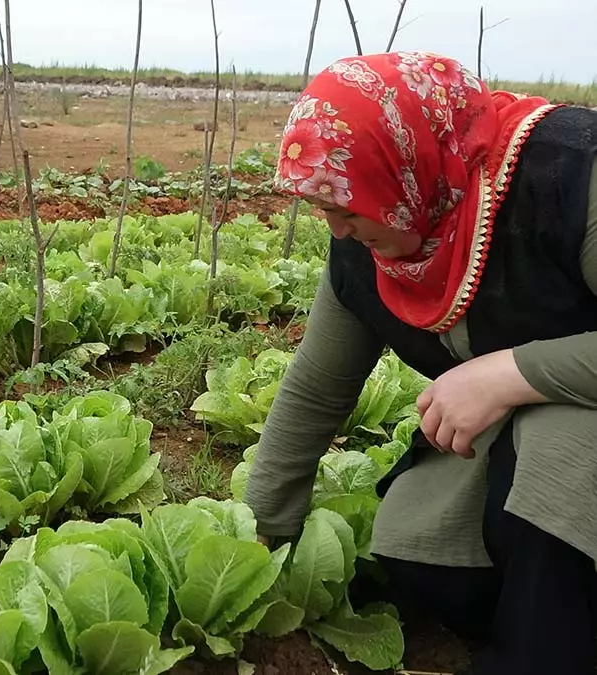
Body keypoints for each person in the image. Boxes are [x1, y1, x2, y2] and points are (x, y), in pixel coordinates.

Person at [243, 50, 597, 675]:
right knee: (418, 553)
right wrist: (261, 530)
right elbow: (316, 390)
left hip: (577, 438)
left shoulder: (570, 176)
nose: (339, 229)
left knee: (558, 440)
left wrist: (508, 374)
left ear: (405, 165)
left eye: (347, 205)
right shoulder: (371, 245)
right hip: (522, 450)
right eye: (325, 207)